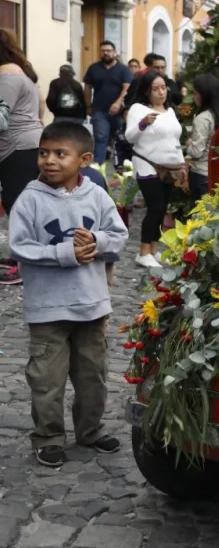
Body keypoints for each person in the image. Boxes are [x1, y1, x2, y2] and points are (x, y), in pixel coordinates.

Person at [8, 121, 129, 467]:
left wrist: (98, 242)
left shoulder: (97, 196)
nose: (49, 161)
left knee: (94, 376)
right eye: (44, 153)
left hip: (91, 307)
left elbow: (117, 235)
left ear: (84, 159)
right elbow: (19, 246)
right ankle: (48, 437)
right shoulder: (30, 199)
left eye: (61, 154)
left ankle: (90, 431)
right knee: (47, 380)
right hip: (47, 310)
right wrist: (65, 254)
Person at [125, 73, 185, 269]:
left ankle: (153, 249)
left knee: (163, 208)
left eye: (163, 87)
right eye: (156, 88)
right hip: (147, 163)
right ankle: (143, 252)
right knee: (155, 207)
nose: (161, 92)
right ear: (147, 91)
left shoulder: (170, 111)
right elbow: (130, 137)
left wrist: (182, 164)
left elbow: (175, 140)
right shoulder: (138, 109)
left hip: (170, 167)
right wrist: (143, 124)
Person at [0, 28, 45, 286]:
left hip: (16, 147)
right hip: (29, 143)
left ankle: (22, 263)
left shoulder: (6, 74)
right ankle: (22, 257)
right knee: (22, 203)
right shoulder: (22, 72)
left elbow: (1, 117)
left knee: (17, 204)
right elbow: (40, 108)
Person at [186, 74, 219, 202]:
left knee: (201, 217)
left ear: (204, 95)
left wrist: (189, 145)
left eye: (195, 93)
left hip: (202, 173)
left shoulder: (203, 118)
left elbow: (197, 152)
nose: (194, 96)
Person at [83, 40, 133, 166]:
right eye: (103, 51)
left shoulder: (123, 69)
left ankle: (121, 166)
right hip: (99, 110)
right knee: (100, 138)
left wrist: (117, 103)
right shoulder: (94, 68)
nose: (106, 53)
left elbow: (127, 87)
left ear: (114, 53)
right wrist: (87, 105)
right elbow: (87, 87)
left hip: (119, 112)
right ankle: (98, 167)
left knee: (120, 139)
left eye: (108, 51)